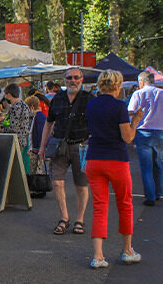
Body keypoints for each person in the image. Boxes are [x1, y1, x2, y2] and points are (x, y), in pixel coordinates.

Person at [85, 70, 144, 268]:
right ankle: (127, 250)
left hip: (94, 158)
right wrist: (135, 121)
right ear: (117, 86)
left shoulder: (91, 104)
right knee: (125, 204)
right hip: (116, 159)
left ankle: (98, 255)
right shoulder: (120, 106)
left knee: (99, 207)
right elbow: (127, 137)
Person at [38, 67, 92, 235]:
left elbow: (97, 124)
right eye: (69, 78)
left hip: (81, 146)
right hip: (59, 145)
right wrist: (42, 147)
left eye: (76, 77)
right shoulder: (57, 99)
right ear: (64, 80)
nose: (73, 80)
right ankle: (65, 218)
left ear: (82, 79)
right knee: (57, 182)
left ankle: (80, 220)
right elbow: (48, 123)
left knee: (81, 185)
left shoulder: (89, 99)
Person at [128, 71, 163, 205]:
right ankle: (158, 193)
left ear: (141, 81)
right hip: (161, 133)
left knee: (146, 167)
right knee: (158, 164)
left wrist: (130, 132)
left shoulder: (138, 94)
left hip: (142, 134)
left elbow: (130, 113)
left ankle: (150, 197)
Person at [0, 83, 31, 173]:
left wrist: (0, 130)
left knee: (13, 167)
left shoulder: (15, 107)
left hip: (15, 140)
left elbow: (13, 127)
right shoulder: (24, 105)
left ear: (9, 95)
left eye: (6, 94)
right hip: (22, 139)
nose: (5, 97)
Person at [25, 95, 47, 197]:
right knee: (36, 168)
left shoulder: (39, 117)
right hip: (36, 147)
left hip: (36, 148)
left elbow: (40, 133)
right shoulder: (39, 117)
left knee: (36, 168)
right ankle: (37, 189)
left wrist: (38, 148)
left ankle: (38, 189)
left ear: (32, 107)